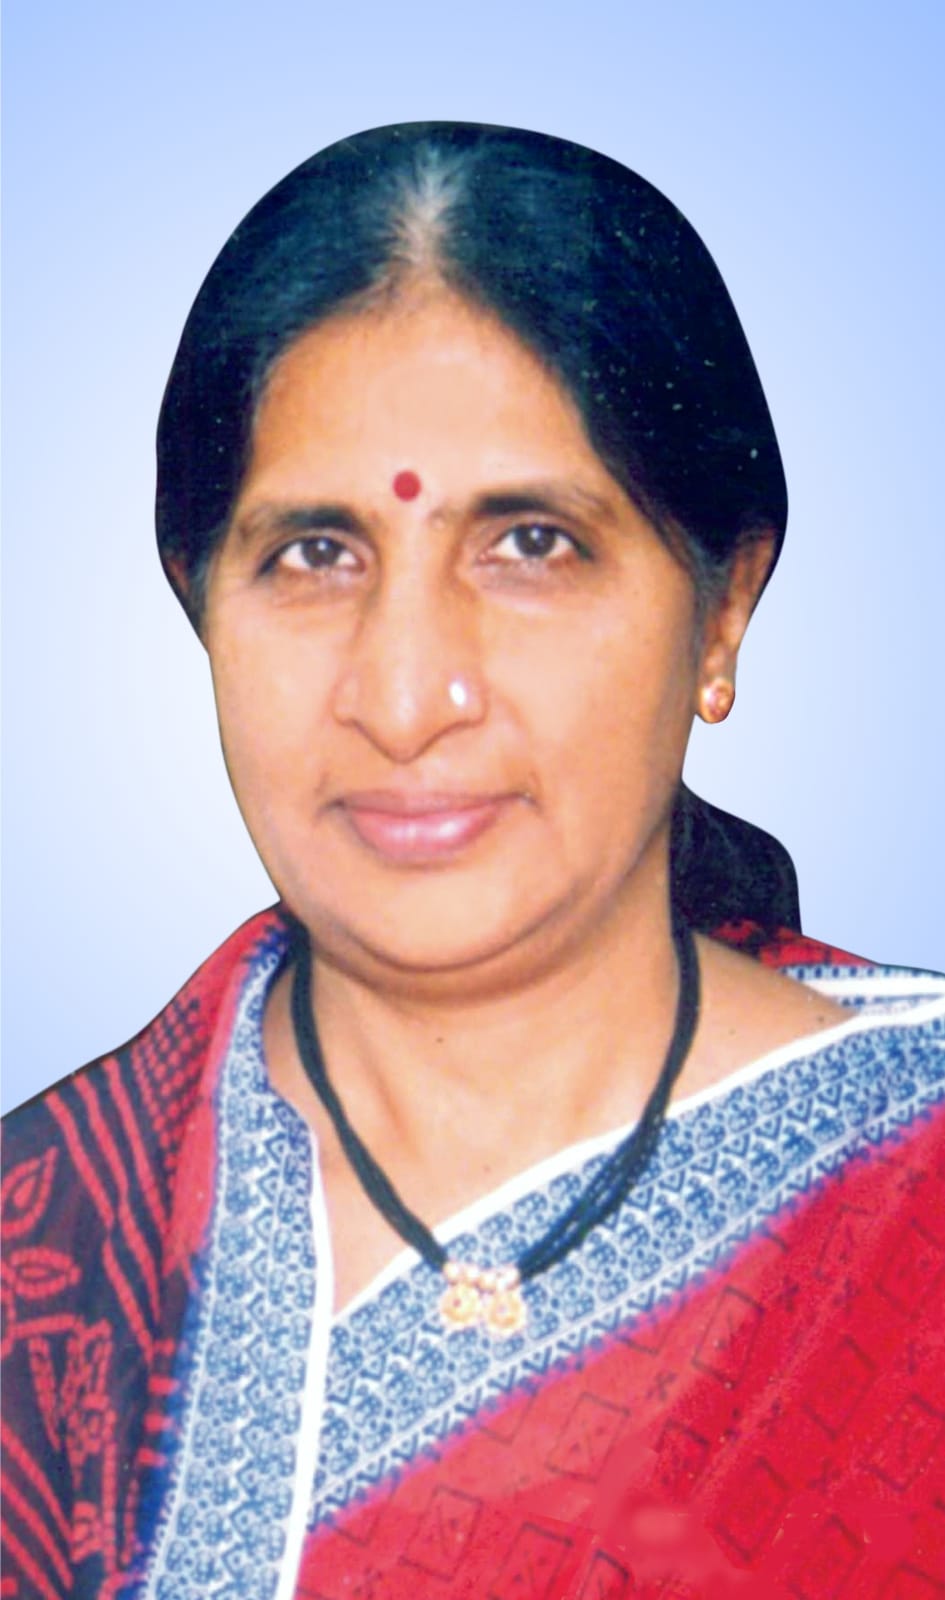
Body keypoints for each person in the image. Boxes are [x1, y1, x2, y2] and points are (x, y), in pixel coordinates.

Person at [2, 122, 943, 1600]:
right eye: (314, 554)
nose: (405, 695)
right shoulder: (46, 1252)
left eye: (530, 544)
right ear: (201, 606)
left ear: (721, 613)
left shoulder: (915, 1177)